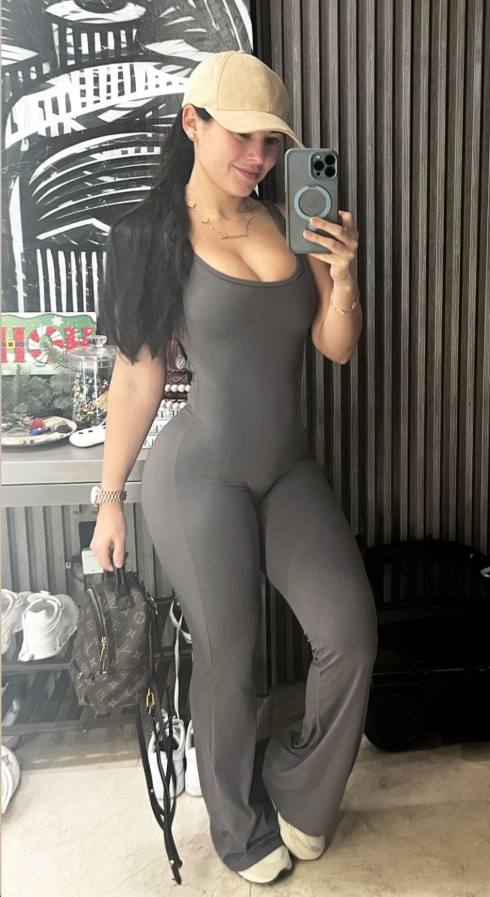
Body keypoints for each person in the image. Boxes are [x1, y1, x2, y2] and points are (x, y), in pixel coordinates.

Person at [91, 49, 378, 885]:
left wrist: (344, 278)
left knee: (350, 631)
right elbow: (136, 378)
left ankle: (298, 786)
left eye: (271, 141)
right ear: (193, 122)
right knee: (231, 653)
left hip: (286, 468)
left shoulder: (291, 220)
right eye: (241, 136)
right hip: (199, 473)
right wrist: (108, 498)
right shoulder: (152, 238)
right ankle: (235, 822)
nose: (257, 156)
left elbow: (335, 347)